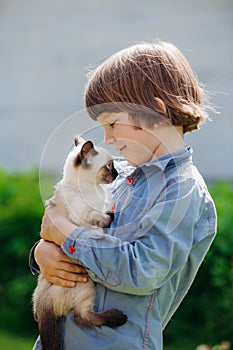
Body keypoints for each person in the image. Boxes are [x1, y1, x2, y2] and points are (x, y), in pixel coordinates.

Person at [30, 40, 217, 350]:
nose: (108, 139)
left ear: (155, 112)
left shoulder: (182, 192)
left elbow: (141, 271)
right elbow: (67, 227)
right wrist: (42, 254)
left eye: (112, 123)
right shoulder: (118, 177)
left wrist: (67, 236)